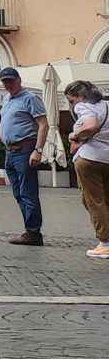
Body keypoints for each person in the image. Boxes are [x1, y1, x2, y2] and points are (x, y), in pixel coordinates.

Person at [0, 66, 48, 246]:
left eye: (11, 81)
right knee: (18, 193)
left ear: (19, 80)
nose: (8, 85)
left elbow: (43, 124)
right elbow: (5, 122)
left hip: (25, 149)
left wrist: (38, 150)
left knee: (28, 191)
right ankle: (30, 230)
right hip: (10, 151)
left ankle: (33, 232)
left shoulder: (30, 98)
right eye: (5, 82)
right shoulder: (6, 99)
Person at [65, 80, 109, 259]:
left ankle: (104, 242)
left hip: (89, 159)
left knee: (93, 201)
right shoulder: (107, 105)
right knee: (106, 199)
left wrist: (75, 136)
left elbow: (91, 126)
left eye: (71, 100)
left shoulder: (84, 107)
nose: (72, 105)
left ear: (81, 97)